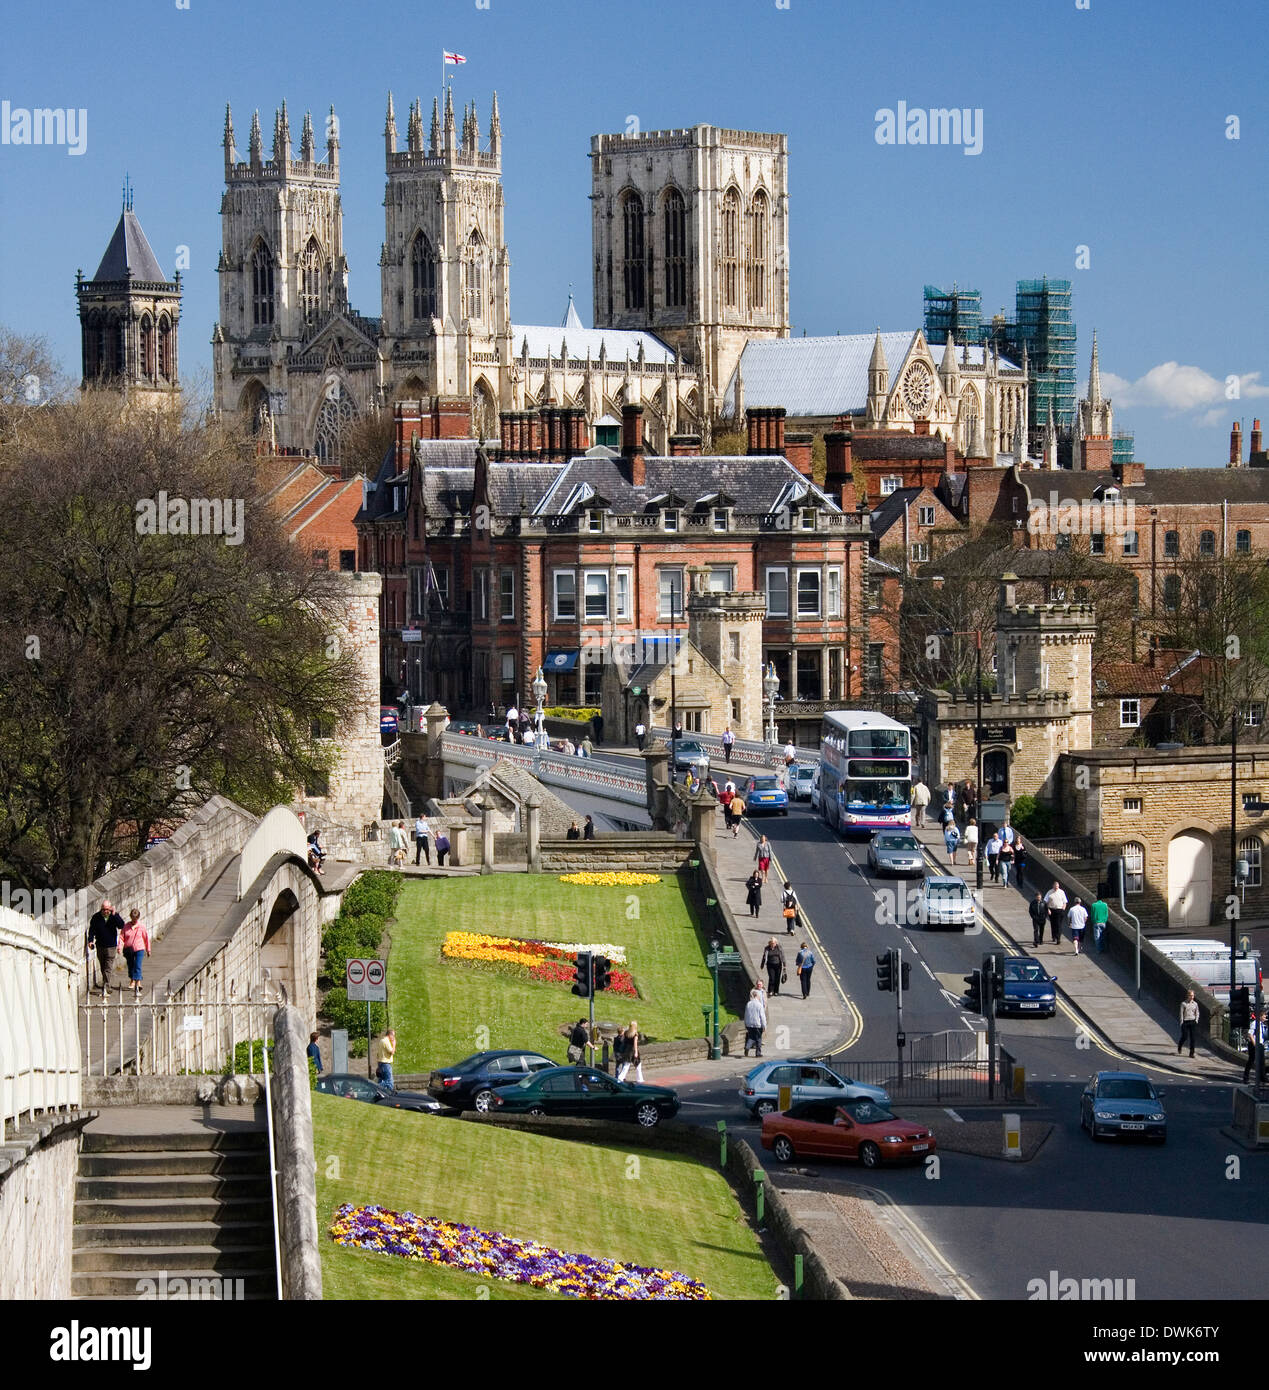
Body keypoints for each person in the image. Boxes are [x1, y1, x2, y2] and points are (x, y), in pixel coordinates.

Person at [87, 899, 124, 994]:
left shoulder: (114, 916)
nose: (105, 911)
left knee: (108, 967)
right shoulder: (96, 917)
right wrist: (90, 941)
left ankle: (107, 986)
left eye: (107, 909)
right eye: (103, 909)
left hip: (111, 946)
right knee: (103, 967)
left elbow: (121, 925)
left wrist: (115, 914)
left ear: (110, 909)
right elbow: (92, 930)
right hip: (100, 945)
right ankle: (106, 983)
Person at [120, 909, 150, 996]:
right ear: (130, 917)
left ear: (138, 918)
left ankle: (138, 982)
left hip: (139, 949)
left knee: (137, 965)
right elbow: (122, 937)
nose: (134, 920)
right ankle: (132, 980)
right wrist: (119, 947)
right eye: (133, 918)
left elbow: (146, 938)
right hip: (129, 949)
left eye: (135, 918)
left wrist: (148, 949)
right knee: (131, 965)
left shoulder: (141, 927)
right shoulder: (126, 927)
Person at [1243, 1010, 1266, 1084]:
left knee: (1261, 1061)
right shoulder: (1255, 1023)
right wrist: (1255, 1045)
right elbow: (1250, 1034)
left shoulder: (1261, 1024)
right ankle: (1246, 1077)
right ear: (1260, 1017)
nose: (1265, 1016)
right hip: (1255, 1045)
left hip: (1260, 1044)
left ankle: (1263, 1078)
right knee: (1251, 1061)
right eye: (1264, 1015)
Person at [743, 989, 767, 1058]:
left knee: (751, 1037)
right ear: (757, 996)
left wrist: (746, 1023)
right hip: (757, 1024)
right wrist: (764, 1025)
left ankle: (747, 1047)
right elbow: (762, 1016)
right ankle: (758, 1053)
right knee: (758, 1038)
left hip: (749, 1024)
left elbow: (746, 1014)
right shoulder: (759, 1005)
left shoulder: (748, 1004)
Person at [1044, 881, 1068, 946]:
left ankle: (1058, 938)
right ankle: (1054, 936)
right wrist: (1048, 909)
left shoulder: (1061, 892)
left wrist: (1063, 909)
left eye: (1057, 887)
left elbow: (1065, 902)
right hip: (1051, 910)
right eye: (1055, 887)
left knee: (1058, 924)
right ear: (1053, 886)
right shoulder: (1049, 892)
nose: (1056, 888)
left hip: (1059, 910)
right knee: (1053, 924)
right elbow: (1045, 902)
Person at [1178, 990, 1199, 1058]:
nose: (1192, 997)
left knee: (1193, 1038)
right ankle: (1180, 1046)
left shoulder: (1195, 1004)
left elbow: (1197, 1013)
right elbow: (1181, 1013)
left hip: (1192, 1021)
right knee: (1185, 1036)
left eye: (1193, 995)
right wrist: (1181, 1022)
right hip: (1185, 1022)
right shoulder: (1183, 1003)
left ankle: (1191, 1053)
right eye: (1190, 995)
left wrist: (1196, 1020)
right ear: (1188, 995)